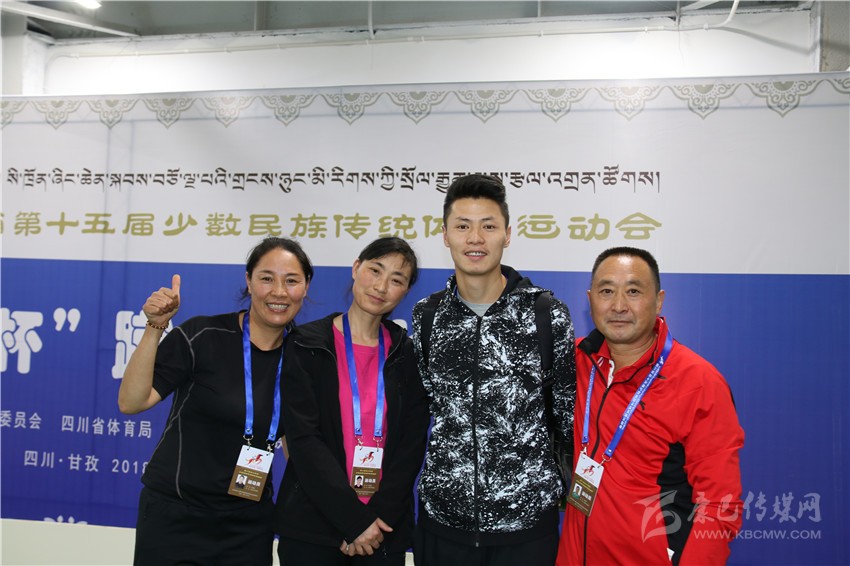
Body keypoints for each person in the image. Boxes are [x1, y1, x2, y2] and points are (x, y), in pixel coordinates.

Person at [411, 174, 576, 566]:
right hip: (443, 524)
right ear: (445, 235)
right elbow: (423, 408)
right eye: (462, 226)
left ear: (507, 234)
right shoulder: (428, 316)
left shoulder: (546, 315)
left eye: (488, 226)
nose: (475, 238)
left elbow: (567, 416)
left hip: (526, 528)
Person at [118, 236, 313, 566]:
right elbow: (132, 402)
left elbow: (300, 444)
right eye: (267, 278)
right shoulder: (203, 335)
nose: (279, 292)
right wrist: (155, 326)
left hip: (248, 525)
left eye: (291, 280)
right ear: (249, 281)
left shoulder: (306, 356)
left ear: (305, 287)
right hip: (176, 517)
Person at [556, 247, 745, 566]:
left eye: (633, 291)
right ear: (590, 299)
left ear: (658, 301)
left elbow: (719, 506)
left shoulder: (698, 383)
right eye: (606, 291)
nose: (618, 306)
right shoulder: (574, 362)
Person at [275, 236, 430, 566]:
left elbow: (412, 445)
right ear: (356, 268)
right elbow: (304, 440)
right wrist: (352, 520)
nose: (381, 286)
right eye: (375, 270)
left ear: (405, 291)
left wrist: (374, 520)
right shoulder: (307, 344)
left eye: (397, 280)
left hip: (383, 529)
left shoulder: (407, 354)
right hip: (314, 526)